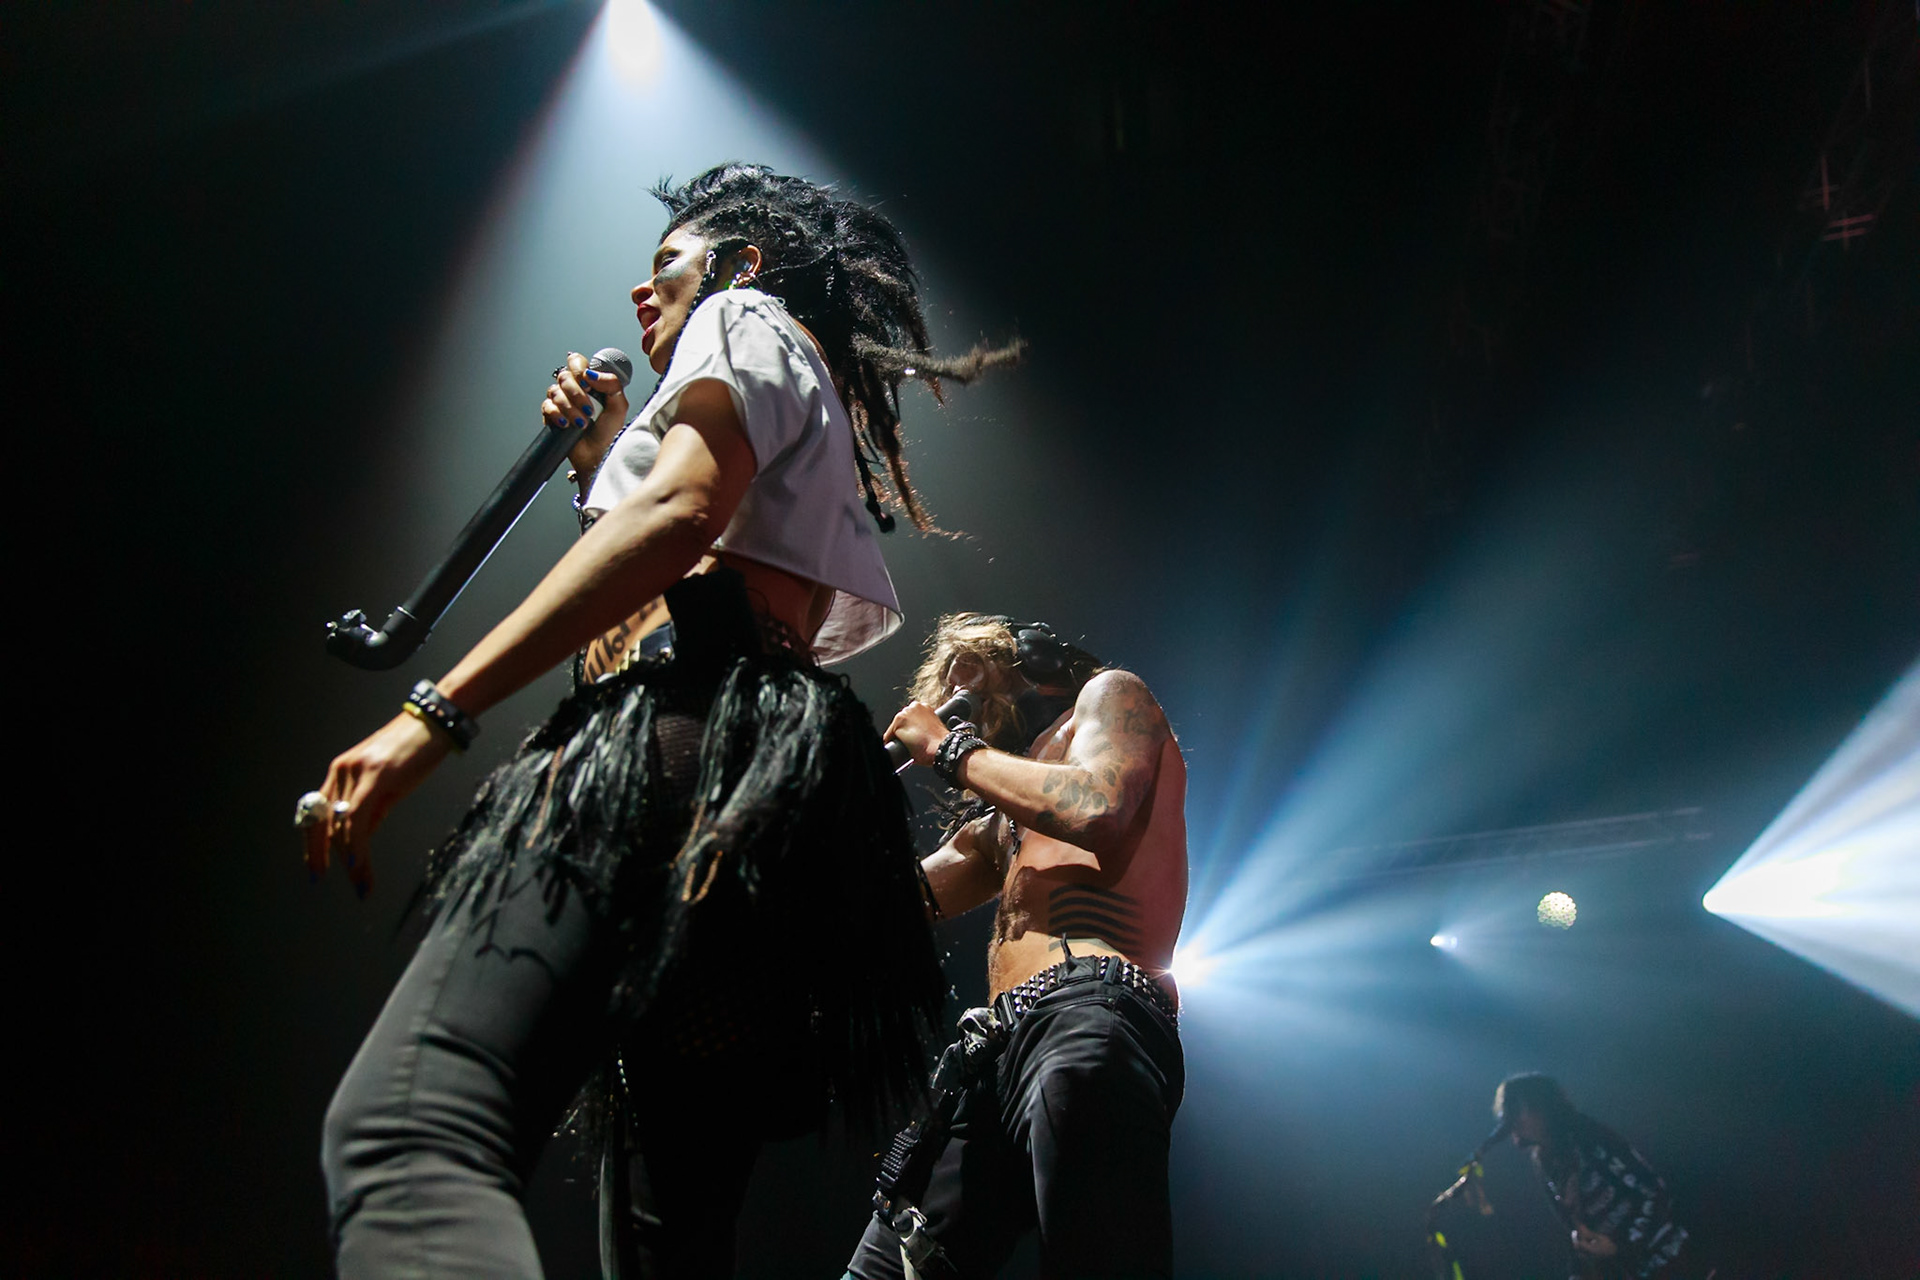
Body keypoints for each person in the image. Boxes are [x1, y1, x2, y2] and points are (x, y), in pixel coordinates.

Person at [302, 163, 1016, 1278]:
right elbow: (687, 565)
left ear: (743, 263)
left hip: (688, 742)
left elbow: (683, 515)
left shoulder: (742, 314)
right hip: (753, 803)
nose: (642, 292)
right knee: (666, 1239)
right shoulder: (803, 398)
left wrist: (434, 710)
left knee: (410, 1128)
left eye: (666, 264)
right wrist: (603, 462)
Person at [844, 614, 1189, 1280]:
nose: (955, 693)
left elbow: (1096, 807)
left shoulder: (1112, 698)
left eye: (969, 671)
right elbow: (887, 909)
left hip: (1088, 1010)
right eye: (947, 683)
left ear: (1028, 660)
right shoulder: (1000, 823)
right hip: (993, 1053)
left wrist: (950, 750)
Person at [1494, 1073, 1711, 1280]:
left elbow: (1652, 1190)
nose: (1510, 1119)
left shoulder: (1586, 1135)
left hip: (1673, 1257)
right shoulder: (1544, 1162)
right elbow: (1574, 1227)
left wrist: (1621, 1244)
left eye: (1516, 1108)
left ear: (1541, 1106)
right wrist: (1580, 1269)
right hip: (1633, 1268)